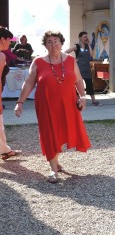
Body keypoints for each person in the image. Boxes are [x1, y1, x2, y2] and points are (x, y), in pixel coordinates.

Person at [14, 30, 91, 183]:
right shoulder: (38, 62)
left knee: (62, 131)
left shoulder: (70, 60)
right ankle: (53, 169)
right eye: (49, 41)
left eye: (56, 41)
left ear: (61, 43)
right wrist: (20, 102)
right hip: (46, 104)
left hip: (68, 103)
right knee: (50, 133)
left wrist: (82, 96)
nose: (53, 44)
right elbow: (29, 82)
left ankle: (56, 161)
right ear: (45, 45)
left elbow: (78, 80)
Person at [0, 28, 21, 160]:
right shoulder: (1, 56)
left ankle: (5, 150)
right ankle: (5, 150)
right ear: (2, 40)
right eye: (9, 40)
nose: (10, 43)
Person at [64, 31, 101, 106]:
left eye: (86, 37)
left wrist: (88, 44)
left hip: (87, 69)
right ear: (80, 38)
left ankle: (94, 101)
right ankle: (77, 100)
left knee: (89, 84)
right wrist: (73, 59)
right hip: (79, 69)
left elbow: (91, 55)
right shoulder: (76, 46)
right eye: (84, 37)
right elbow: (65, 52)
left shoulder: (87, 46)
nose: (86, 38)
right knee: (76, 85)